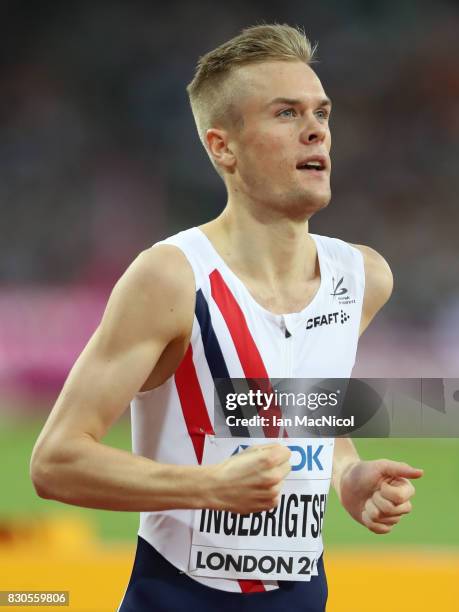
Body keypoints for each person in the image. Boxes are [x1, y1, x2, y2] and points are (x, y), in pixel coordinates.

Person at [30, 24, 423, 612]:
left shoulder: (362, 278)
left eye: (321, 112)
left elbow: (303, 405)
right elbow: (56, 460)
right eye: (286, 113)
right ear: (223, 147)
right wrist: (208, 487)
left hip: (302, 597)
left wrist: (347, 475)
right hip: (179, 597)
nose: (316, 129)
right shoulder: (171, 277)